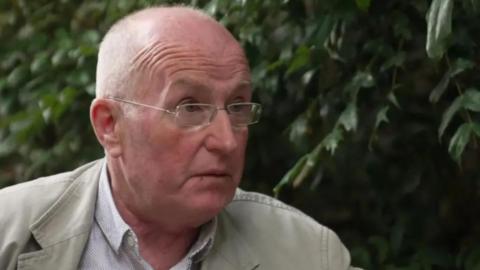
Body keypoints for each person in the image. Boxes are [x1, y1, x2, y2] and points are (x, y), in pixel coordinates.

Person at [0, 6, 361, 270]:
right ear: (109, 125)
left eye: (237, 107)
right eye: (189, 107)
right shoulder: (9, 233)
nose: (227, 141)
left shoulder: (307, 253)